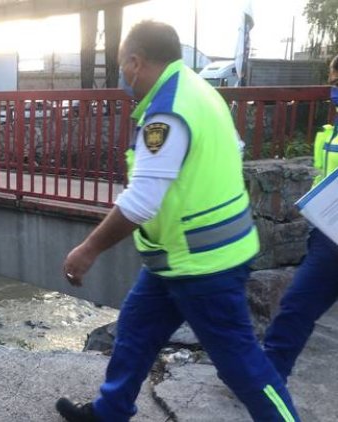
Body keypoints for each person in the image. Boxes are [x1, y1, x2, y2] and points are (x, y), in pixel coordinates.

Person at [55, 21, 300, 422]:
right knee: (135, 332)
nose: (122, 76)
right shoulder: (196, 88)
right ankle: (109, 412)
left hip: (202, 263)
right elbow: (227, 154)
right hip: (177, 256)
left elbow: (141, 203)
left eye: (121, 66)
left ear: (135, 62)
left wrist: (88, 249)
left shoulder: (166, 113)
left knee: (241, 364)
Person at [263, 55, 338, 382]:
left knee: (297, 307)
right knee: (296, 306)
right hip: (328, 236)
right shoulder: (331, 130)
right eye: (333, 84)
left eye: (337, 83)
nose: (333, 91)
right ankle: (266, 380)